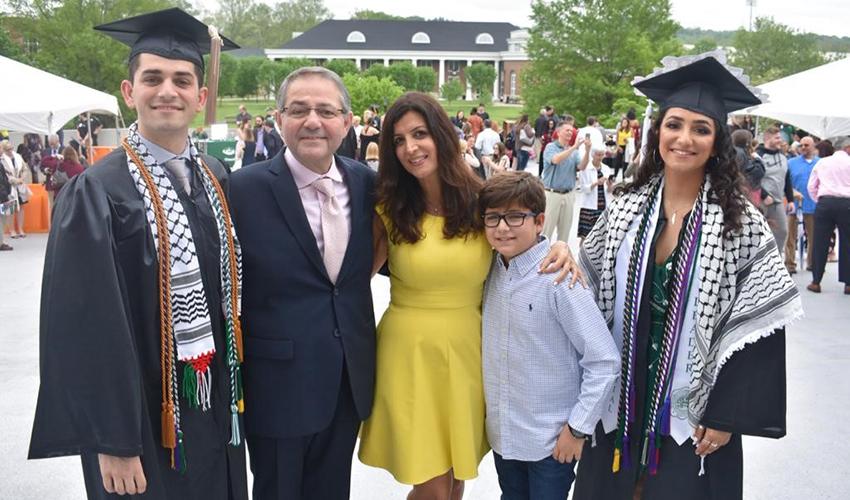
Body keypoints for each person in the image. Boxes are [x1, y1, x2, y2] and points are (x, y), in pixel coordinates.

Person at [28, 9, 249, 499]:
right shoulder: (95, 192)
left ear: (200, 97)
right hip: (144, 421)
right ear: (130, 93)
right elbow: (85, 325)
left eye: (181, 79)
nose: (167, 90)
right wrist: (113, 441)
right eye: (152, 78)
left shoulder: (215, 177)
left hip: (210, 406)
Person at [574, 54, 801, 500]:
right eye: (674, 124)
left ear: (716, 143)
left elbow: (760, 326)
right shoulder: (625, 208)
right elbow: (586, 285)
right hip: (623, 390)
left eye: (701, 129)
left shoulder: (742, 225)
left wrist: (725, 415)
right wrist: (559, 252)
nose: (684, 138)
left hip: (692, 405)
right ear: (657, 131)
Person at [358, 92, 576, 500]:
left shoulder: (482, 202)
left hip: (472, 355)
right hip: (410, 357)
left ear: (440, 134)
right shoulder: (389, 209)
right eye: (399, 140)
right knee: (435, 485)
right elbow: (351, 285)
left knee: (457, 480)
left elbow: (523, 237)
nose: (410, 148)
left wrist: (556, 248)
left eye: (419, 134)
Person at [229, 66, 377, 500]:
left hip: (347, 381)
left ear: (347, 122)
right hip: (278, 387)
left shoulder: (366, 184)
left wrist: (540, 248)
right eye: (299, 110)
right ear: (278, 119)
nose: (313, 121)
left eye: (326, 111)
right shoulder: (241, 190)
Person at [479, 171, 620, 500]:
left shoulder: (559, 279)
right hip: (505, 435)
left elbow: (604, 360)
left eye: (515, 217)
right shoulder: (490, 269)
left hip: (552, 441)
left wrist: (578, 429)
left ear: (539, 220)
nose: (502, 227)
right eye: (492, 218)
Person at [806, 135, 850, 295]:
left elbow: (811, 186)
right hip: (847, 203)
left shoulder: (822, 162)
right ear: (847, 148)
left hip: (825, 202)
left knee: (820, 242)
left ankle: (816, 281)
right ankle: (848, 283)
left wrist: (819, 199)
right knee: (848, 243)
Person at [541, 123, 591, 243]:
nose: (570, 132)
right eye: (567, 130)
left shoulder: (574, 152)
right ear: (559, 133)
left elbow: (582, 166)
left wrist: (588, 151)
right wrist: (574, 147)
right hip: (552, 194)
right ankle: (542, 257)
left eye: (571, 131)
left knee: (565, 231)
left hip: (568, 194)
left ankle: (561, 257)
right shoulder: (550, 147)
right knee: (547, 229)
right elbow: (556, 160)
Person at [757, 126, 795, 256]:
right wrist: (764, 195)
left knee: (782, 231)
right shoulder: (759, 156)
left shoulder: (783, 157)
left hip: (778, 202)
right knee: (758, 233)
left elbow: (787, 178)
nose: (780, 140)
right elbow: (750, 178)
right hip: (760, 201)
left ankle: (775, 260)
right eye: (777, 137)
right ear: (768, 138)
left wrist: (790, 200)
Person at [786, 135, 819, 273]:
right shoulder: (791, 162)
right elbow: (786, 182)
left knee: (814, 236)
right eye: (801, 145)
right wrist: (792, 194)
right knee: (790, 236)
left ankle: (812, 263)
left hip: (813, 205)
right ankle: (790, 263)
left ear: (813, 146)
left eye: (806, 145)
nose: (803, 148)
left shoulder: (820, 163)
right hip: (794, 204)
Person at [577, 147, 614, 241]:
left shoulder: (606, 168)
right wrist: (596, 183)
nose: (600, 157)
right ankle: (582, 255)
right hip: (589, 207)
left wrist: (610, 185)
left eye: (602, 154)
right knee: (585, 237)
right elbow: (584, 188)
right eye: (598, 154)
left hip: (603, 207)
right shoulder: (585, 168)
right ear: (593, 155)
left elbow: (609, 191)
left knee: (601, 237)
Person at [1, 140, 30, 238]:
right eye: (8, 149)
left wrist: (21, 179)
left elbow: (25, 169)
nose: (10, 151)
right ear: (3, 150)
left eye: (11, 148)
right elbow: (5, 175)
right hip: (9, 187)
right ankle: (11, 230)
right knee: (9, 209)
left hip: (20, 186)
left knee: (21, 207)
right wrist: (15, 180)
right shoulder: (2, 159)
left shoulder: (18, 156)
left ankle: (20, 229)